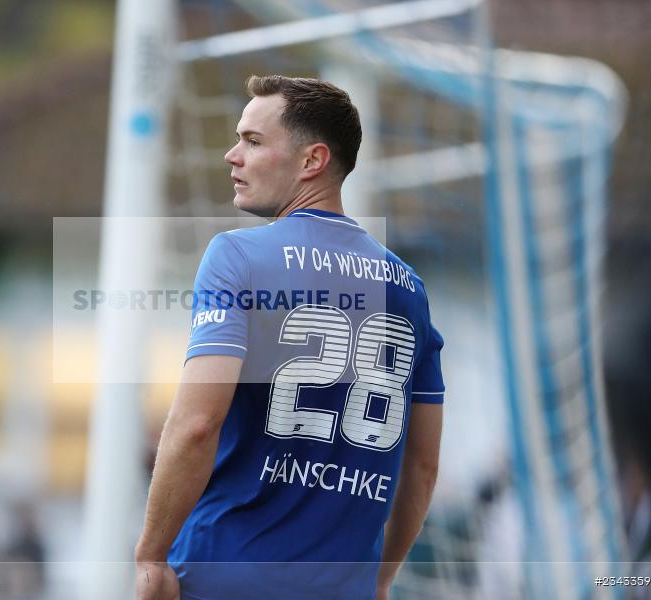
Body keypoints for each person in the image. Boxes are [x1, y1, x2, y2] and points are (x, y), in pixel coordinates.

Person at [135, 76, 445, 600]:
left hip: (221, 576)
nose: (233, 155)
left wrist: (150, 556)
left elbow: (196, 424)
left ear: (312, 161)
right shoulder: (409, 288)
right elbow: (423, 462)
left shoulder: (237, 257)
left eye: (253, 141)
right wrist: (382, 577)